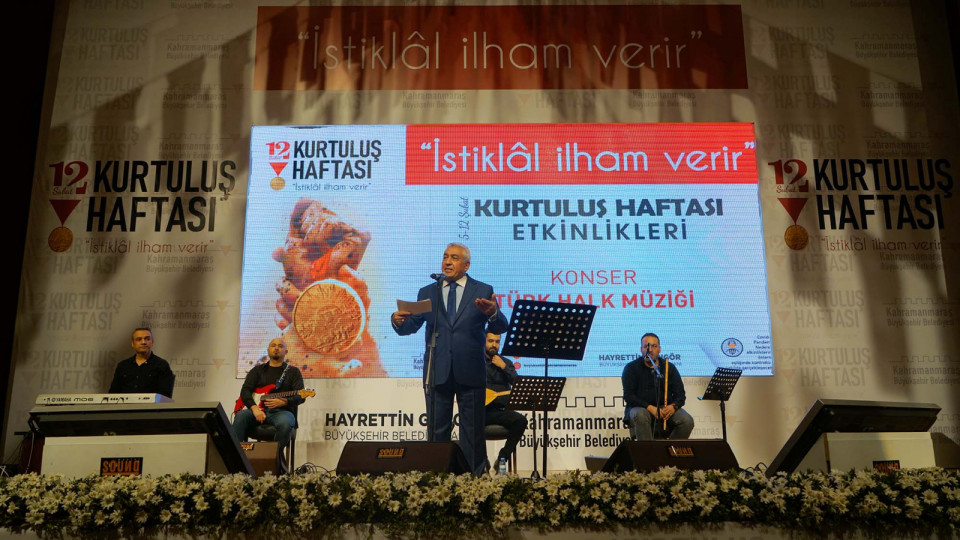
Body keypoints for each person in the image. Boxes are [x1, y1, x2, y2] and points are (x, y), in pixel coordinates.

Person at [392, 243, 508, 475]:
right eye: (445, 257)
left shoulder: (482, 290)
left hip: (471, 371)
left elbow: (500, 326)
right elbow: (410, 327)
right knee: (437, 431)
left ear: (466, 265)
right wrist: (397, 321)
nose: (447, 261)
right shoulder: (428, 292)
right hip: (437, 369)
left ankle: (473, 480)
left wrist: (493, 313)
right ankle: (438, 478)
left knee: (472, 431)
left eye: (454, 258)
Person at [233, 338, 305, 451]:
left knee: (285, 423)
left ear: (286, 352)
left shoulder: (293, 372)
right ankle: (237, 457)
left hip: (282, 412)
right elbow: (245, 390)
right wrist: (254, 408)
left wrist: (285, 401)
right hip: (256, 411)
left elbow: (300, 396)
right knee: (240, 417)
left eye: (280, 346)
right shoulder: (257, 370)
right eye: (273, 345)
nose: (276, 348)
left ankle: (275, 457)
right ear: (268, 350)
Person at [621, 332, 694, 440]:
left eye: (654, 346)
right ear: (641, 349)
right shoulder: (631, 368)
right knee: (641, 415)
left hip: (665, 408)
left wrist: (673, 407)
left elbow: (680, 395)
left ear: (659, 349)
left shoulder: (669, 367)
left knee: (687, 421)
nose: (650, 350)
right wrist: (650, 408)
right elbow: (629, 396)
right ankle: (650, 450)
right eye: (646, 346)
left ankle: (669, 449)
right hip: (641, 408)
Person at [484, 332, 527, 468]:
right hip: (483, 412)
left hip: (502, 411)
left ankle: (502, 458)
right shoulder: (476, 362)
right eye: (491, 341)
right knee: (469, 422)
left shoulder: (506, 363)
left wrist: (503, 367)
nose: (494, 345)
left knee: (521, 420)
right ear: (484, 341)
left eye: (497, 342)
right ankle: (483, 461)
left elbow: (517, 383)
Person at [108, 328, 175, 398]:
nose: (143, 342)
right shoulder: (123, 366)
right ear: (132, 343)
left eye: (147, 339)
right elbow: (113, 394)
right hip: (125, 404)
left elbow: (165, 396)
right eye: (139, 339)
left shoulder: (161, 365)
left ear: (152, 342)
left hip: (151, 405)